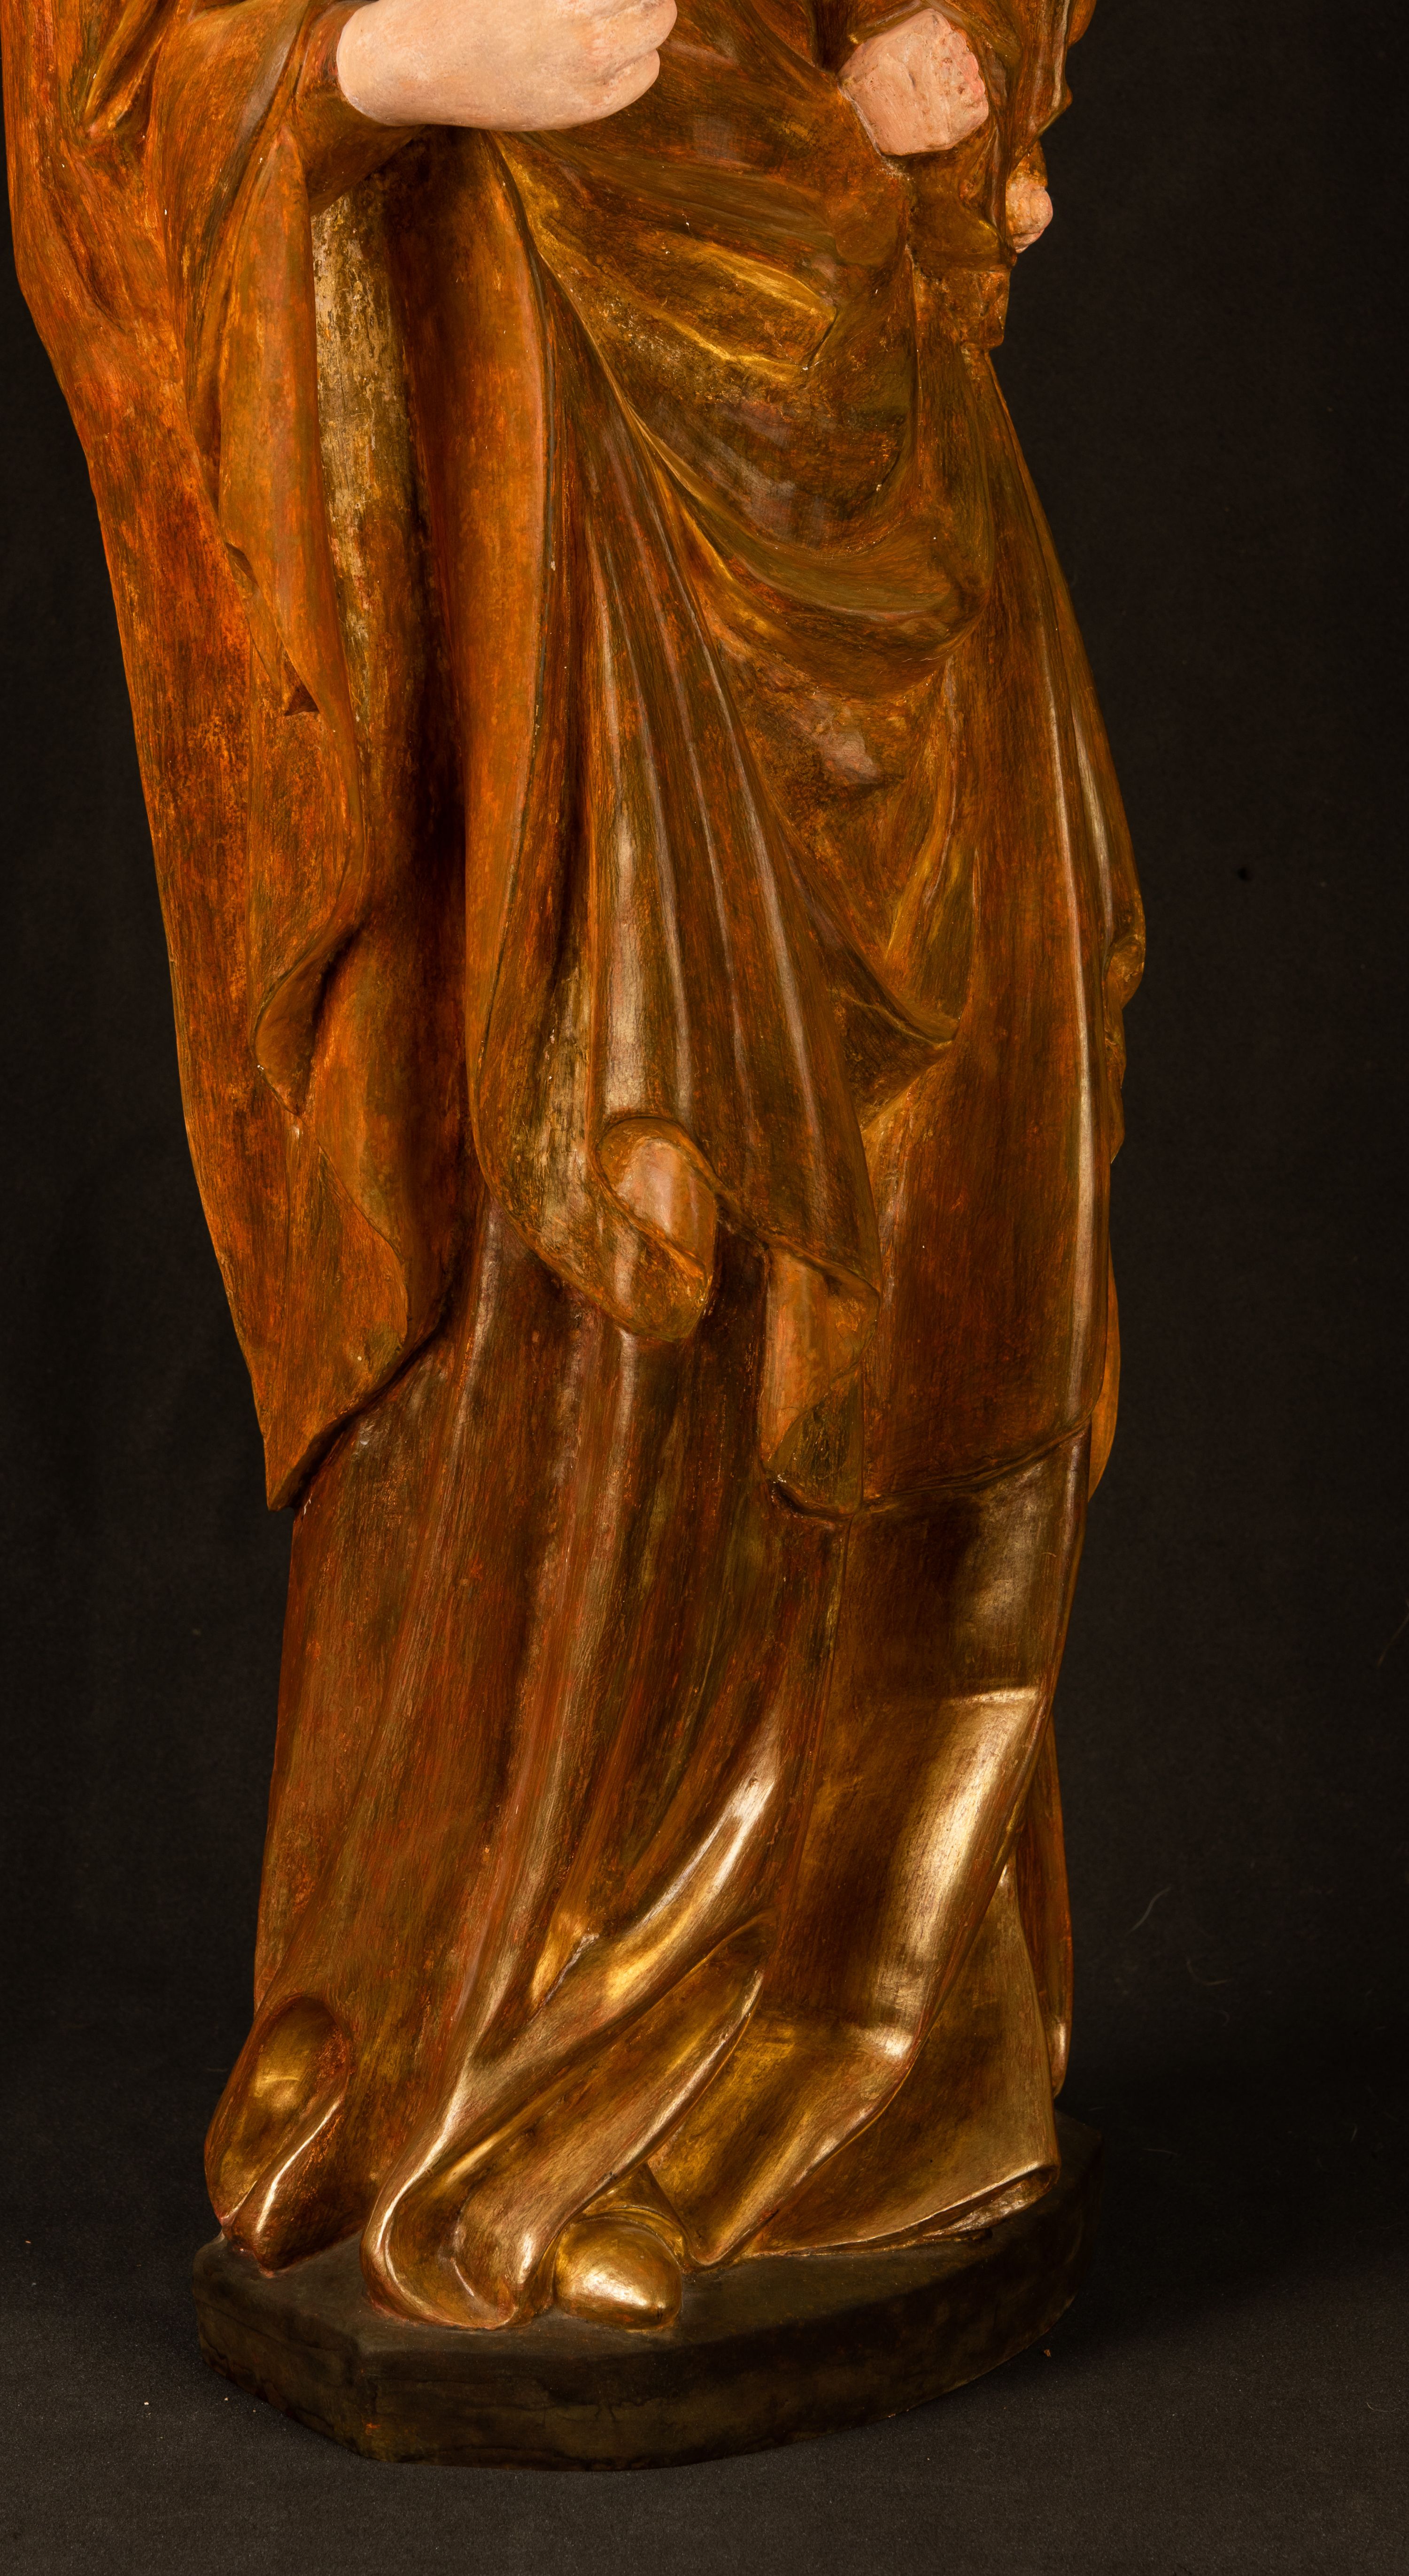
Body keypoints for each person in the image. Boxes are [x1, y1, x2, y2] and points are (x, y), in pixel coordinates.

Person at [4, 0, 1142, 2330]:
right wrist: (375, 66)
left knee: (864, 1224)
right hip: (488, 491)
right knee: (543, 1247)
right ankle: (460, 1998)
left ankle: (839, 2020)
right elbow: (92, 73)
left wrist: (936, 47)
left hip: (813, 426)